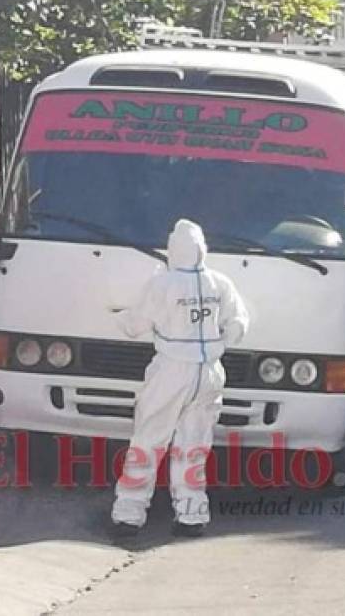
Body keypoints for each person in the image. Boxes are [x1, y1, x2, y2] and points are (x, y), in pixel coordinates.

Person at [111, 219, 249, 538]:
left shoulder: (163, 284)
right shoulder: (220, 283)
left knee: (148, 440)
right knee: (194, 445)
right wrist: (221, 339)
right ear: (203, 250)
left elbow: (134, 325)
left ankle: (129, 515)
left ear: (172, 250)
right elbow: (239, 323)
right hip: (211, 371)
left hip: (172, 369)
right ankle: (191, 515)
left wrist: (115, 317)